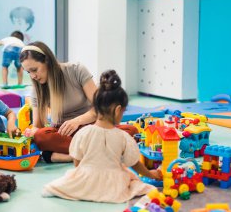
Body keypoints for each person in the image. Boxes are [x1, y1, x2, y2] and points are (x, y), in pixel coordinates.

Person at [42, 70, 162, 203]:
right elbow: (134, 163)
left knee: (65, 181)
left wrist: (85, 175)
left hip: (86, 180)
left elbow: (77, 162)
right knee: (135, 181)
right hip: (113, 184)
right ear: (117, 111)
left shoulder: (83, 132)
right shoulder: (123, 137)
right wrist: (152, 174)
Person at [19, 41, 98, 163]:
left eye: (34, 69)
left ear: (47, 61)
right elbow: (38, 126)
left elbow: (101, 109)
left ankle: (60, 155)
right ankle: (90, 152)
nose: (33, 76)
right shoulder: (37, 89)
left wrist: (77, 121)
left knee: (131, 132)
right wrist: (32, 132)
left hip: (89, 127)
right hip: (63, 134)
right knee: (41, 136)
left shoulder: (76, 70)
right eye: (28, 72)